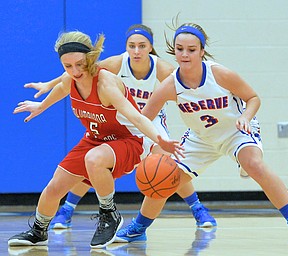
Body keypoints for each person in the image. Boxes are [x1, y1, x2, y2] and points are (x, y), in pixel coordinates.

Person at [114, 22, 288, 246]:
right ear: (174, 50)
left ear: (201, 51)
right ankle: (139, 227)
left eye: (191, 49)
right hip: (201, 137)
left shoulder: (218, 74)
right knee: (164, 177)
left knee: (254, 164)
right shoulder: (170, 85)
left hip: (235, 130)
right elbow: (143, 118)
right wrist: (157, 141)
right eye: (180, 49)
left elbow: (253, 98)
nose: (185, 54)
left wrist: (245, 117)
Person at [25, 24, 217, 231]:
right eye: (131, 46)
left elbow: (184, 90)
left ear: (150, 47)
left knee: (167, 166)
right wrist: (48, 85)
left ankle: (196, 207)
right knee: (90, 164)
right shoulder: (116, 63)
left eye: (142, 46)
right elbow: (75, 72)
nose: (136, 51)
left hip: (147, 121)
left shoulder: (163, 69)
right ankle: (67, 209)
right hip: (118, 119)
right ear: (125, 47)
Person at [8, 30, 183, 248]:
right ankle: (39, 230)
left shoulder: (105, 84)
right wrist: (41, 106)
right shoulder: (69, 79)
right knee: (55, 187)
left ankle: (109, 213)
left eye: (79, 64)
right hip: (97, 139)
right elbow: (61, 88)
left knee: (93, 159)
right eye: (67, 66)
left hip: (130, 139)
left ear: (89, 58)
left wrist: (160, 140)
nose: (74, 71)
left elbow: (136, 117)